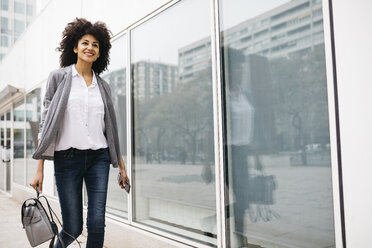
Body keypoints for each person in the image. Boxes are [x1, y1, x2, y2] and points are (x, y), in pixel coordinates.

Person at [30, 18, 129, 248]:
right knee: (73, 228)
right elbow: (46, 125)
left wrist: (121, 166)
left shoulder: (103, 86)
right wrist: (39, 169)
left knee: (96, 223)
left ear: (99, 52)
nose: (90, 48)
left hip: (99, 159)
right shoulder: (58, 77)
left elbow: (110, 129)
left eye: (95, 45)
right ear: (75, 47)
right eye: (85, 43)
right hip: (67, 159)